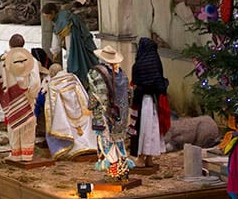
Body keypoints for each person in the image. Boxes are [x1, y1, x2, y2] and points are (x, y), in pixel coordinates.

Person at [0, 35, 41, 163]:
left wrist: (3, 93)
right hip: (27, 98)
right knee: (28, 125)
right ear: (23, 44)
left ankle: (15, 154)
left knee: (13, 125)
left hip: (10, 100)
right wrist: (31, 94)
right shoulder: (30, 59)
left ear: (9, 44)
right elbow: (36, 82)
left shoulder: (1, 60)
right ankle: (27, 155)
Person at [87, 45, 136, 179]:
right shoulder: (121, 73)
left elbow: (99, 95)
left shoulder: (96, 73)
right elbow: (129, 93)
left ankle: (114, 173)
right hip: (121, 114)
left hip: (105, 115)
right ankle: (123, 171)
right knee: (119, 142)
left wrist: (92, 107)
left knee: (106, 143)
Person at [128, 37, 168, 167]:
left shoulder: (138, 65)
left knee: (142, 129)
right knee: (153, 128)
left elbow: (135, 82)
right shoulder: (157, 63)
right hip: (154, 101)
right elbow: (160, 83)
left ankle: (141, 157)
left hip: (143, 102)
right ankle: (149, 158)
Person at [43, 63, 97, 159]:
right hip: (78, 108)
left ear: (51, 73)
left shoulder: (53, 84)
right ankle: (88, 145)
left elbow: (52, 105)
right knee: (82, 126)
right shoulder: (73, 77)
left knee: (66, 125)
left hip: (64, 112)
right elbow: (82, 94)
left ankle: (68, 148)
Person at [41, 2, 98, 86]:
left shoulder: (62, 21)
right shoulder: (64, 14)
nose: (47, 19)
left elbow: (65, 40)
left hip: (76, 45)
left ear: (53, 12)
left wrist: (55, 52)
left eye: (47, 16)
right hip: (83, 41)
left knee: (76, 63)